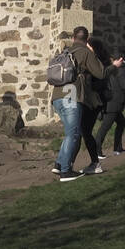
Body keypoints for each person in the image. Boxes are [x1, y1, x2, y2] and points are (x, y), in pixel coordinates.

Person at [50, 26, 106, 182]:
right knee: (74, 134)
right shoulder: (85, 52)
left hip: (56, 97)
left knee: (70, 133)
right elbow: (101, 72)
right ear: (86, 39)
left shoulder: (64, 53)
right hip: (71, 96)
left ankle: (59, 165)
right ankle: (66, 172)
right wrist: (93, 54)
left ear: (73, 38)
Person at [94, 49, 125, 155]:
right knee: (105, 127)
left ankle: (117, 148)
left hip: (112, 102)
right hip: (114, 103)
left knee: (121, 123)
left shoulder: (113, 69)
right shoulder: (123, 69)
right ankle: (97, 151)